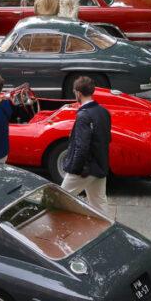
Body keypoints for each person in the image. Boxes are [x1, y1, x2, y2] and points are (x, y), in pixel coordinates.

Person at [60, 76, 111, 215]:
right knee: (99, 203)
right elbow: (107, 138)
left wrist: (75, 169)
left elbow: (82, 147)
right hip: (100, 165)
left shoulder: (83, 116)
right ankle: (107, 230)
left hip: (85, 169)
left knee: (59, 198)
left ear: (78, 93)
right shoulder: (103, 112)